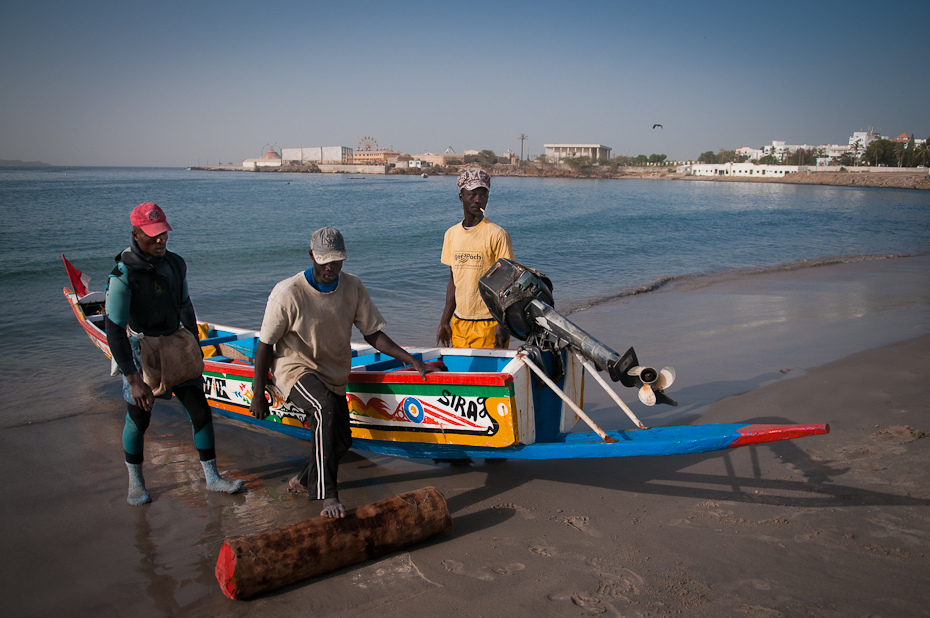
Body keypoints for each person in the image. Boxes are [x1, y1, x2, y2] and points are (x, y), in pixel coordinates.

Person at [249, 227, 437, 519]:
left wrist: (411, 360)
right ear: (312, 256)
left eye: (336, 261)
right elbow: (264, 345)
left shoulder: (352, 286)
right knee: (324, 409)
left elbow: (373, 333)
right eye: (324, 261)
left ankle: (302, 479)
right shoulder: (288, 293)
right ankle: (328, 496)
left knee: (342, 442)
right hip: (294, 368)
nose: (331, 268)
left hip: (333, 371)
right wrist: (257, 391)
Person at [105, 202, 243, 506]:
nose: (160, 240)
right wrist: (133, 377)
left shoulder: (176, 264)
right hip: (143, 353)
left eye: (164, 234)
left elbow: (185, 305)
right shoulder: (123, 276)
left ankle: (212, 478)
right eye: (153, 235)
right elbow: (114, 330)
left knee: (200, 410)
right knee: (139, 418)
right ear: (136, 235)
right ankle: (136, 483)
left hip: (176, 345)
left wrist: (194, 344)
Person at [437, 168, 515, 349]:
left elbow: (509, 284)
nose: (478, 200)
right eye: (472, 194)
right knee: (461, 375)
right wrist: (444, 322)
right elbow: (453, 282)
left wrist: (503, 325)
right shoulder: (451, 234)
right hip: (460, 324)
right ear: (461, 196)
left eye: (483, 195)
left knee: (488, 375)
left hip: (489, 324)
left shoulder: (497, 235)